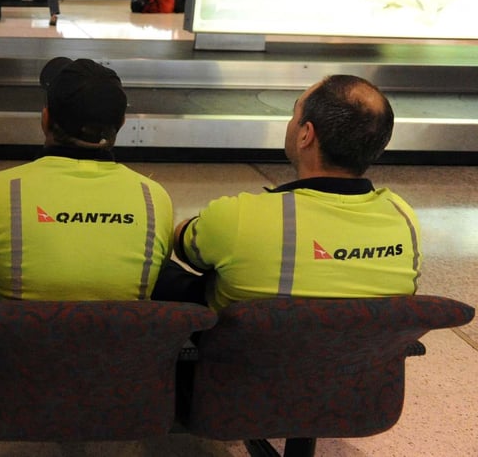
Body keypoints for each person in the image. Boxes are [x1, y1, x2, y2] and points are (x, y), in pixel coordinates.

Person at [153, 74, 422, 311]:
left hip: (242, 359)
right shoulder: (403, 217)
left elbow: (184, 245)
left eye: (294, 115)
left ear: (306, 134)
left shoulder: (240, 216)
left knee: (157, 269)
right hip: (358, 362)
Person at [0, 57, 173, 307]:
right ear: (121, 124)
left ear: (45, 119)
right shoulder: (154, 198)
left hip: (14, 344)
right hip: (122, 344)